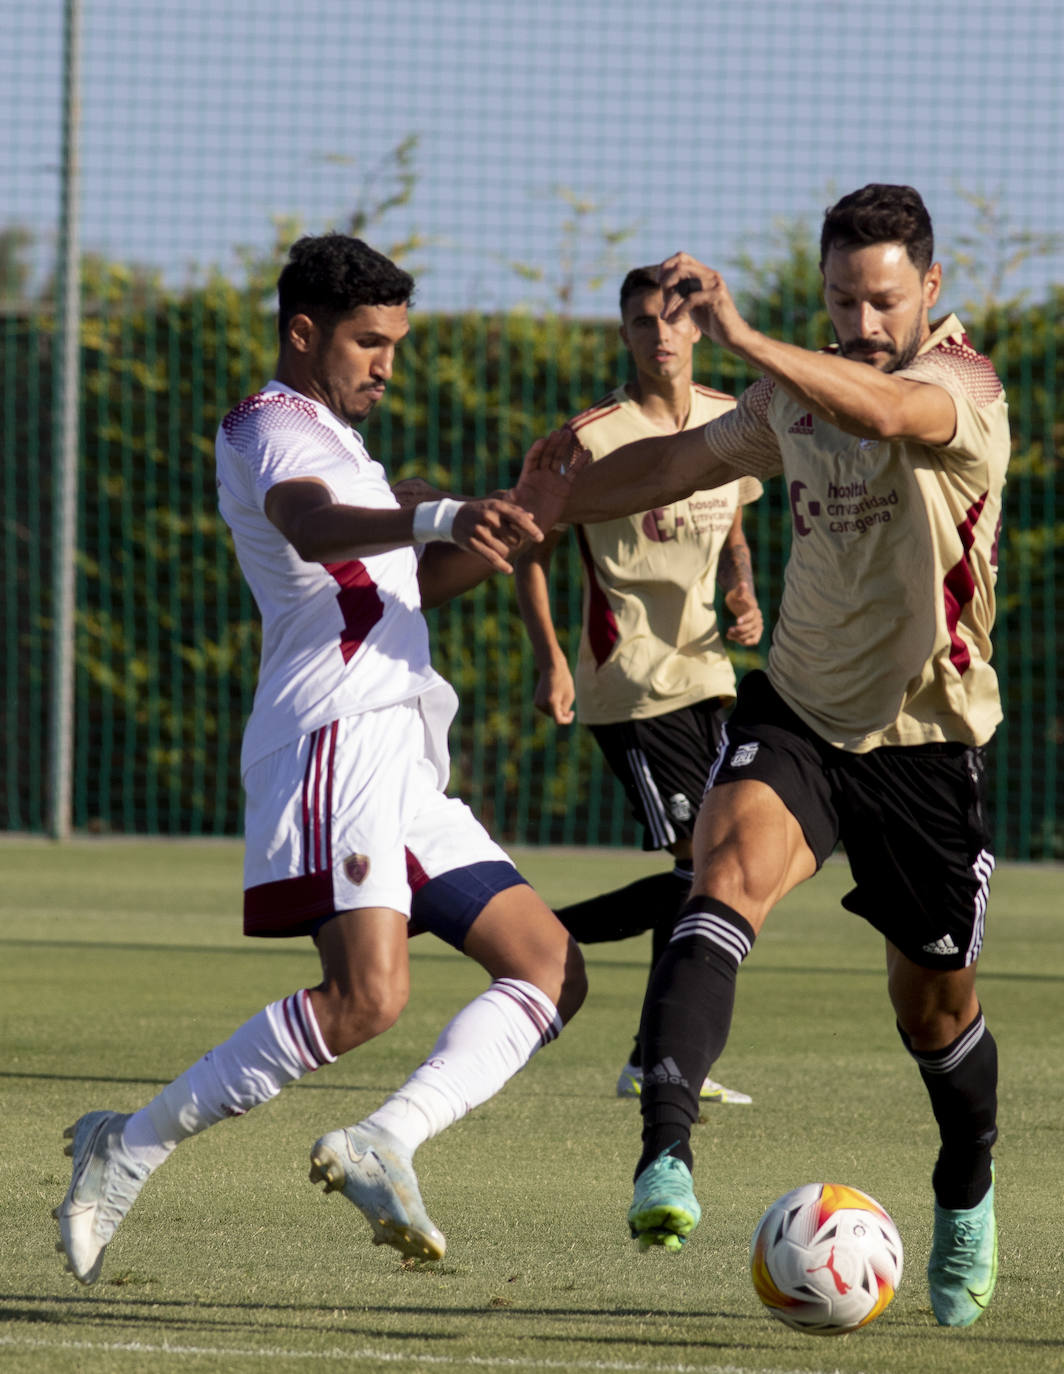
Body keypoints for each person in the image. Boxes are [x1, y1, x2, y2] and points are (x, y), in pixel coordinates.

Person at [54, 233, 586, 1285]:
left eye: (396, 343)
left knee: (548, 967)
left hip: (397, 746)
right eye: (367, 341)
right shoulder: (265, 426)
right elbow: (307, 528)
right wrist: (441, 511)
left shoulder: (346, 445)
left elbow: (400, 590)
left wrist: (502, 534)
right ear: (303, 333)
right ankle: (128, 1146)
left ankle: (387, 1137)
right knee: (365, 999)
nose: (386, 363)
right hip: (334, 733)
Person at [548, 185, 1008, 1328]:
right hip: (797, 710)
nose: (861, 321)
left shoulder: (963, 387)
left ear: (929, 290)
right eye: (841, 300)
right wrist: (536, 501)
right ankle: (665, 1156)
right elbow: (668, 467)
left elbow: (888, 413)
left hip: (923, 739)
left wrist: (745, 338)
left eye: (882, 300)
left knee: (931, 1012)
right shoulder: (782, 401)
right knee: (717, 883)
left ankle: (965, 1187)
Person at [515, 266, 762, 1106]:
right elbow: (531, 550)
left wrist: (742, 592)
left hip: (709, 673)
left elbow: (735, 527)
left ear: (699, 327)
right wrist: (551, 658)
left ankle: (656, 1059)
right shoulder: (589, 438)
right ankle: (523, 935)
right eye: (642, 321)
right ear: (624, 334)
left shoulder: (732, 417)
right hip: (629, 679)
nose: (661, 334)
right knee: (704, 872)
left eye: (675, 318)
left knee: (717, 869)